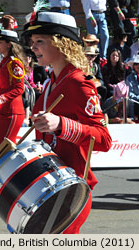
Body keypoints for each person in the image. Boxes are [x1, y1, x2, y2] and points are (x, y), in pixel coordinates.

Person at [23, 11, 112, 233]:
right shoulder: (50, 82)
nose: (33, 48)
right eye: (33, 42)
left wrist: (62, 125)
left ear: (61, 44)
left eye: (39, 41)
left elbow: (104, 139)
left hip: (71, 190)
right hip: (49, 186)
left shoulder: (78, 83)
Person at [0, 30, 25, 156]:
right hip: (3, 111)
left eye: (0, 42)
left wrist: (0, 99)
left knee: (0, 151)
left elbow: (19, 88)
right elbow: (0, 88)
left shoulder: (14, 62)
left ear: (9, 44)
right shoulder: (4, 62)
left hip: (13, 112)